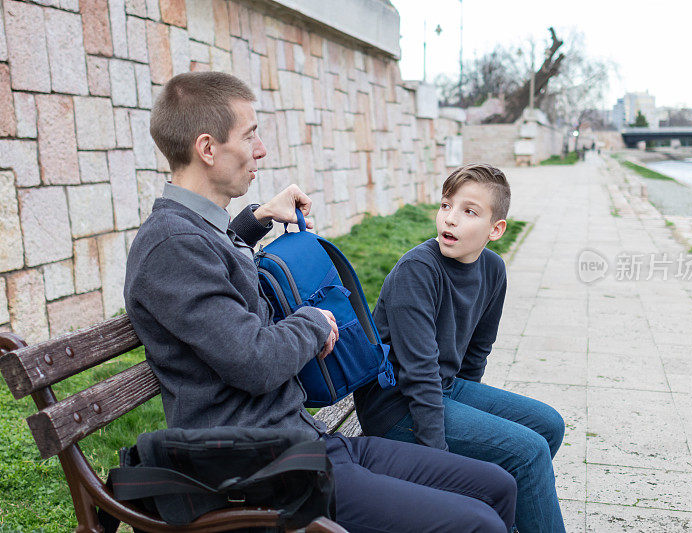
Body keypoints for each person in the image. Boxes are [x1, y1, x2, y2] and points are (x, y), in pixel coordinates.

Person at [123, 72, 517, 533]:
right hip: (263, 468)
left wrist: (259, 218)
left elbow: (218, 263)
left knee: (498, 487)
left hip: (302, 441)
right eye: (250, 135)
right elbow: (255, 360)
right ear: (208, 149)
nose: (261, 149)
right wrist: (314, 321)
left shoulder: (193, 233)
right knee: (478, 523)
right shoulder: (170, 246)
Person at [354, 164, 566, 533]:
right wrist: (441, 463)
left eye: (469, 211)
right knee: (528, 452)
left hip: (444, 389)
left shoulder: (493, 269)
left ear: (495, 229)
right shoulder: (417, 271)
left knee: (548, 426)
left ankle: (508, 517)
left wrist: (472, 419)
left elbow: (476, 355)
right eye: (446, 205)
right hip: (395, 404)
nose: (450, 219)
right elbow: (418, 376)